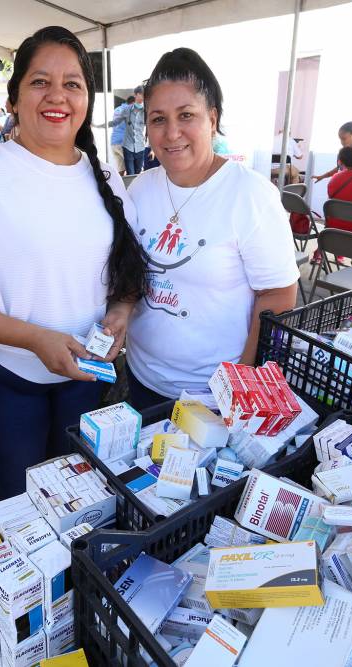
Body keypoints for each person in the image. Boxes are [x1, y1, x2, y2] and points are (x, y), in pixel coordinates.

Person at [0, 26, 147, 500]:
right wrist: (34, 339)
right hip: (7, 377)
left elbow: (126, 271)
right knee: (23, 499)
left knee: (80, 496)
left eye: (73, 83)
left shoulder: (106, 175)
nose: (58, 96)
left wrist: (122, 312)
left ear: (88, 98)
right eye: (39, 82)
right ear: (13, 99)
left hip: (88, 374)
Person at [124, 48, 299, 408]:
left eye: (186, 115)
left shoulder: (249, 195)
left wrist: (243, 384)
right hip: (142, 378)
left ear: (212, 118)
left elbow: (278, 295)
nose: (172, 133)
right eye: (158, 119)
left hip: (214, 395)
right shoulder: (141, 188)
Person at [113, 85, 147, 175]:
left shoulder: (146, 110)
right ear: (136, 95)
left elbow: (151, 126)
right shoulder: (126, 110)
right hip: (127, 146)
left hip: (140, 146)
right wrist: (102, 125)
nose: (144, 96)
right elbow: (116, 122)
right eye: (142, 94)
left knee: (138, 173)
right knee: (130, 174)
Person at [108, 95, 127, 174]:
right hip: (123, 142)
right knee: (132, 169)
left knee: (120, 169)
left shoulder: (116, 110)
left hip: (114, 142)